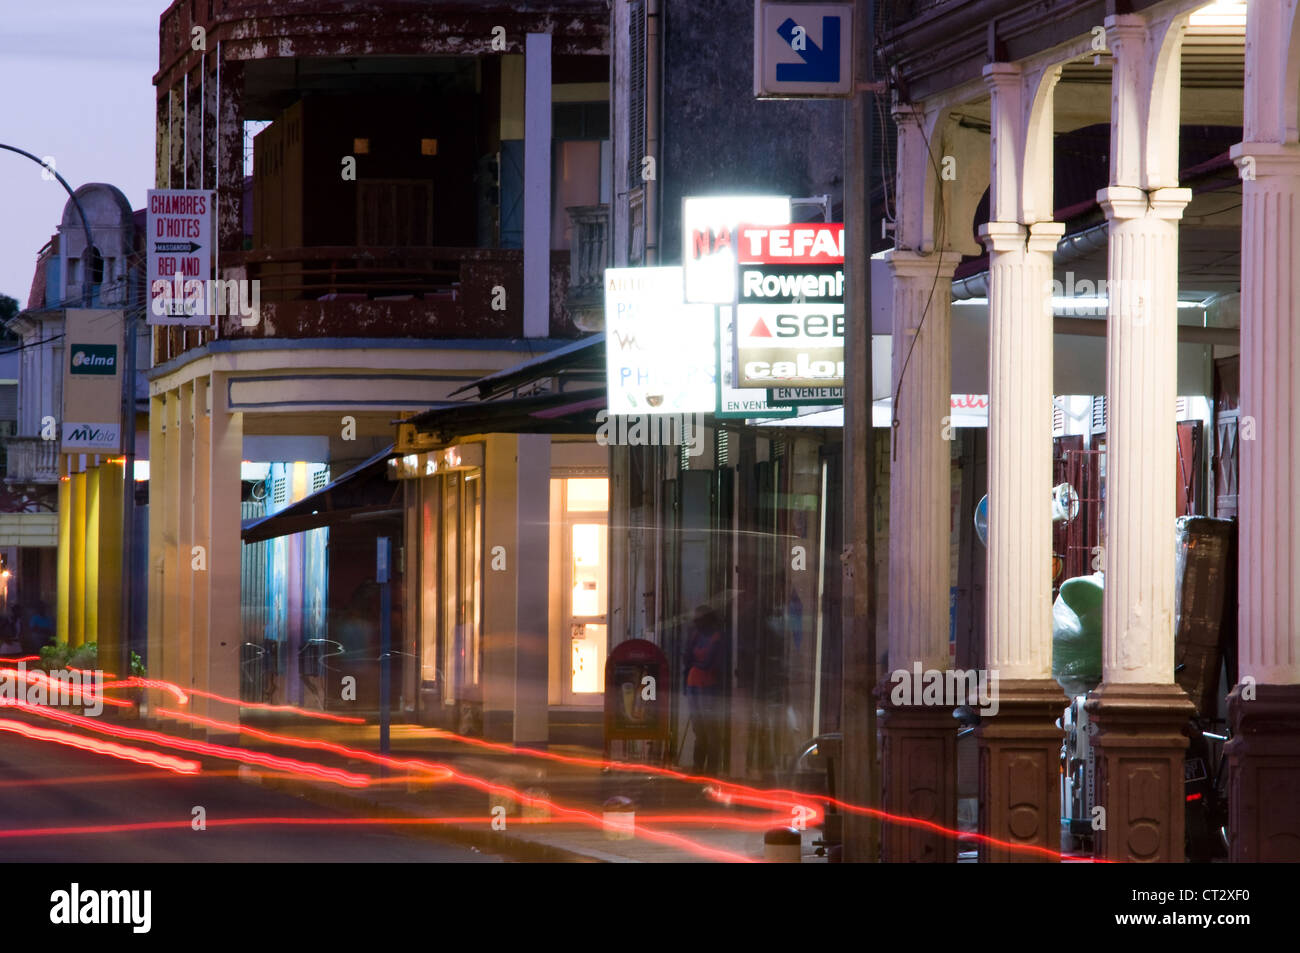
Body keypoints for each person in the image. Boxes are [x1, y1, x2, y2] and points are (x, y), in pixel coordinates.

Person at [682, 606, 726, 776]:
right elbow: (687, 659)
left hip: (708, 687)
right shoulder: (695, 636)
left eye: (699, 620)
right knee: (698, 728)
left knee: (710, 729)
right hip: (693, 685)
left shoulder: (716, 638)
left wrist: (693, 663)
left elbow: (709, 663)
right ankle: (698, 766)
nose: (697, 624)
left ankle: (712, 768)